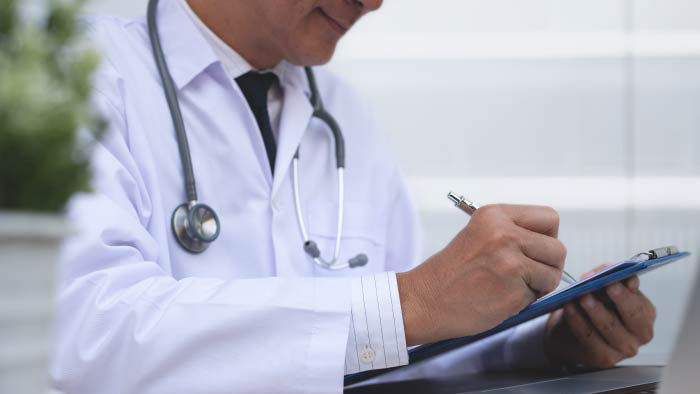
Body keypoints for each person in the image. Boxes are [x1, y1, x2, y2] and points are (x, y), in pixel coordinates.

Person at [50, 0, 657, 392]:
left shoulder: (342, 116)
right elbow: (85, 333)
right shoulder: (80, 78)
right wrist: (407, 301)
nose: (374, 1)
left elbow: (396, 359)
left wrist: (546, 342)